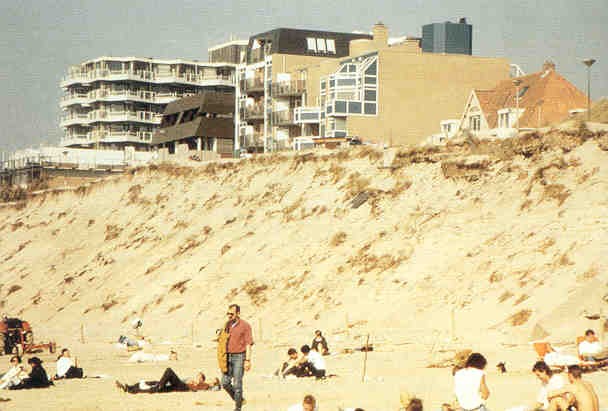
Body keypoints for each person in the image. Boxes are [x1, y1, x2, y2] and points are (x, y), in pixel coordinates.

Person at [221, 304, 253, 411]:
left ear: (238, 313)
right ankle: (240, 399)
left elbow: (249, 344)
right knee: (225, 382)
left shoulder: (246, 326)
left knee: (237, 384)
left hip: (240, 356)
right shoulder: (227, 325)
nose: (229, 316)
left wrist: (247, 360)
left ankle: (238, 408)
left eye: (231, 314)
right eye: (228, 313)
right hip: (228, 356)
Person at [115, 368, 217, 393]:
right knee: (153, 382)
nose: (198, 378)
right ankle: (128, 388)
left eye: (200, 377)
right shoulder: (198, 382)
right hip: (181, 384)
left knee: (169, 371)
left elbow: (216, 388)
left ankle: (158, 387)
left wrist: (214, 385)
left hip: (183, 387)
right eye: (198, 376)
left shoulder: (206, 386)